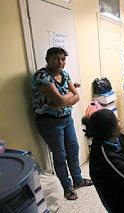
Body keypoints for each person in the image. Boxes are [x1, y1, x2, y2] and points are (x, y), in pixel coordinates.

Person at [32, 47, 92, 200]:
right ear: (48, 60)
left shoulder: (64, 74)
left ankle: (77, 179)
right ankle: (67, 187)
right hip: (49, 122)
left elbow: (76, 97)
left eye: (63, 59)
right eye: (55, 58)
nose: (60, 62)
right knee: (60, 155)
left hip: (66, 119)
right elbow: (62, 99)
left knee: (73, 148)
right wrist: (66, 99)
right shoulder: (42, 76)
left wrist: (61, 103)